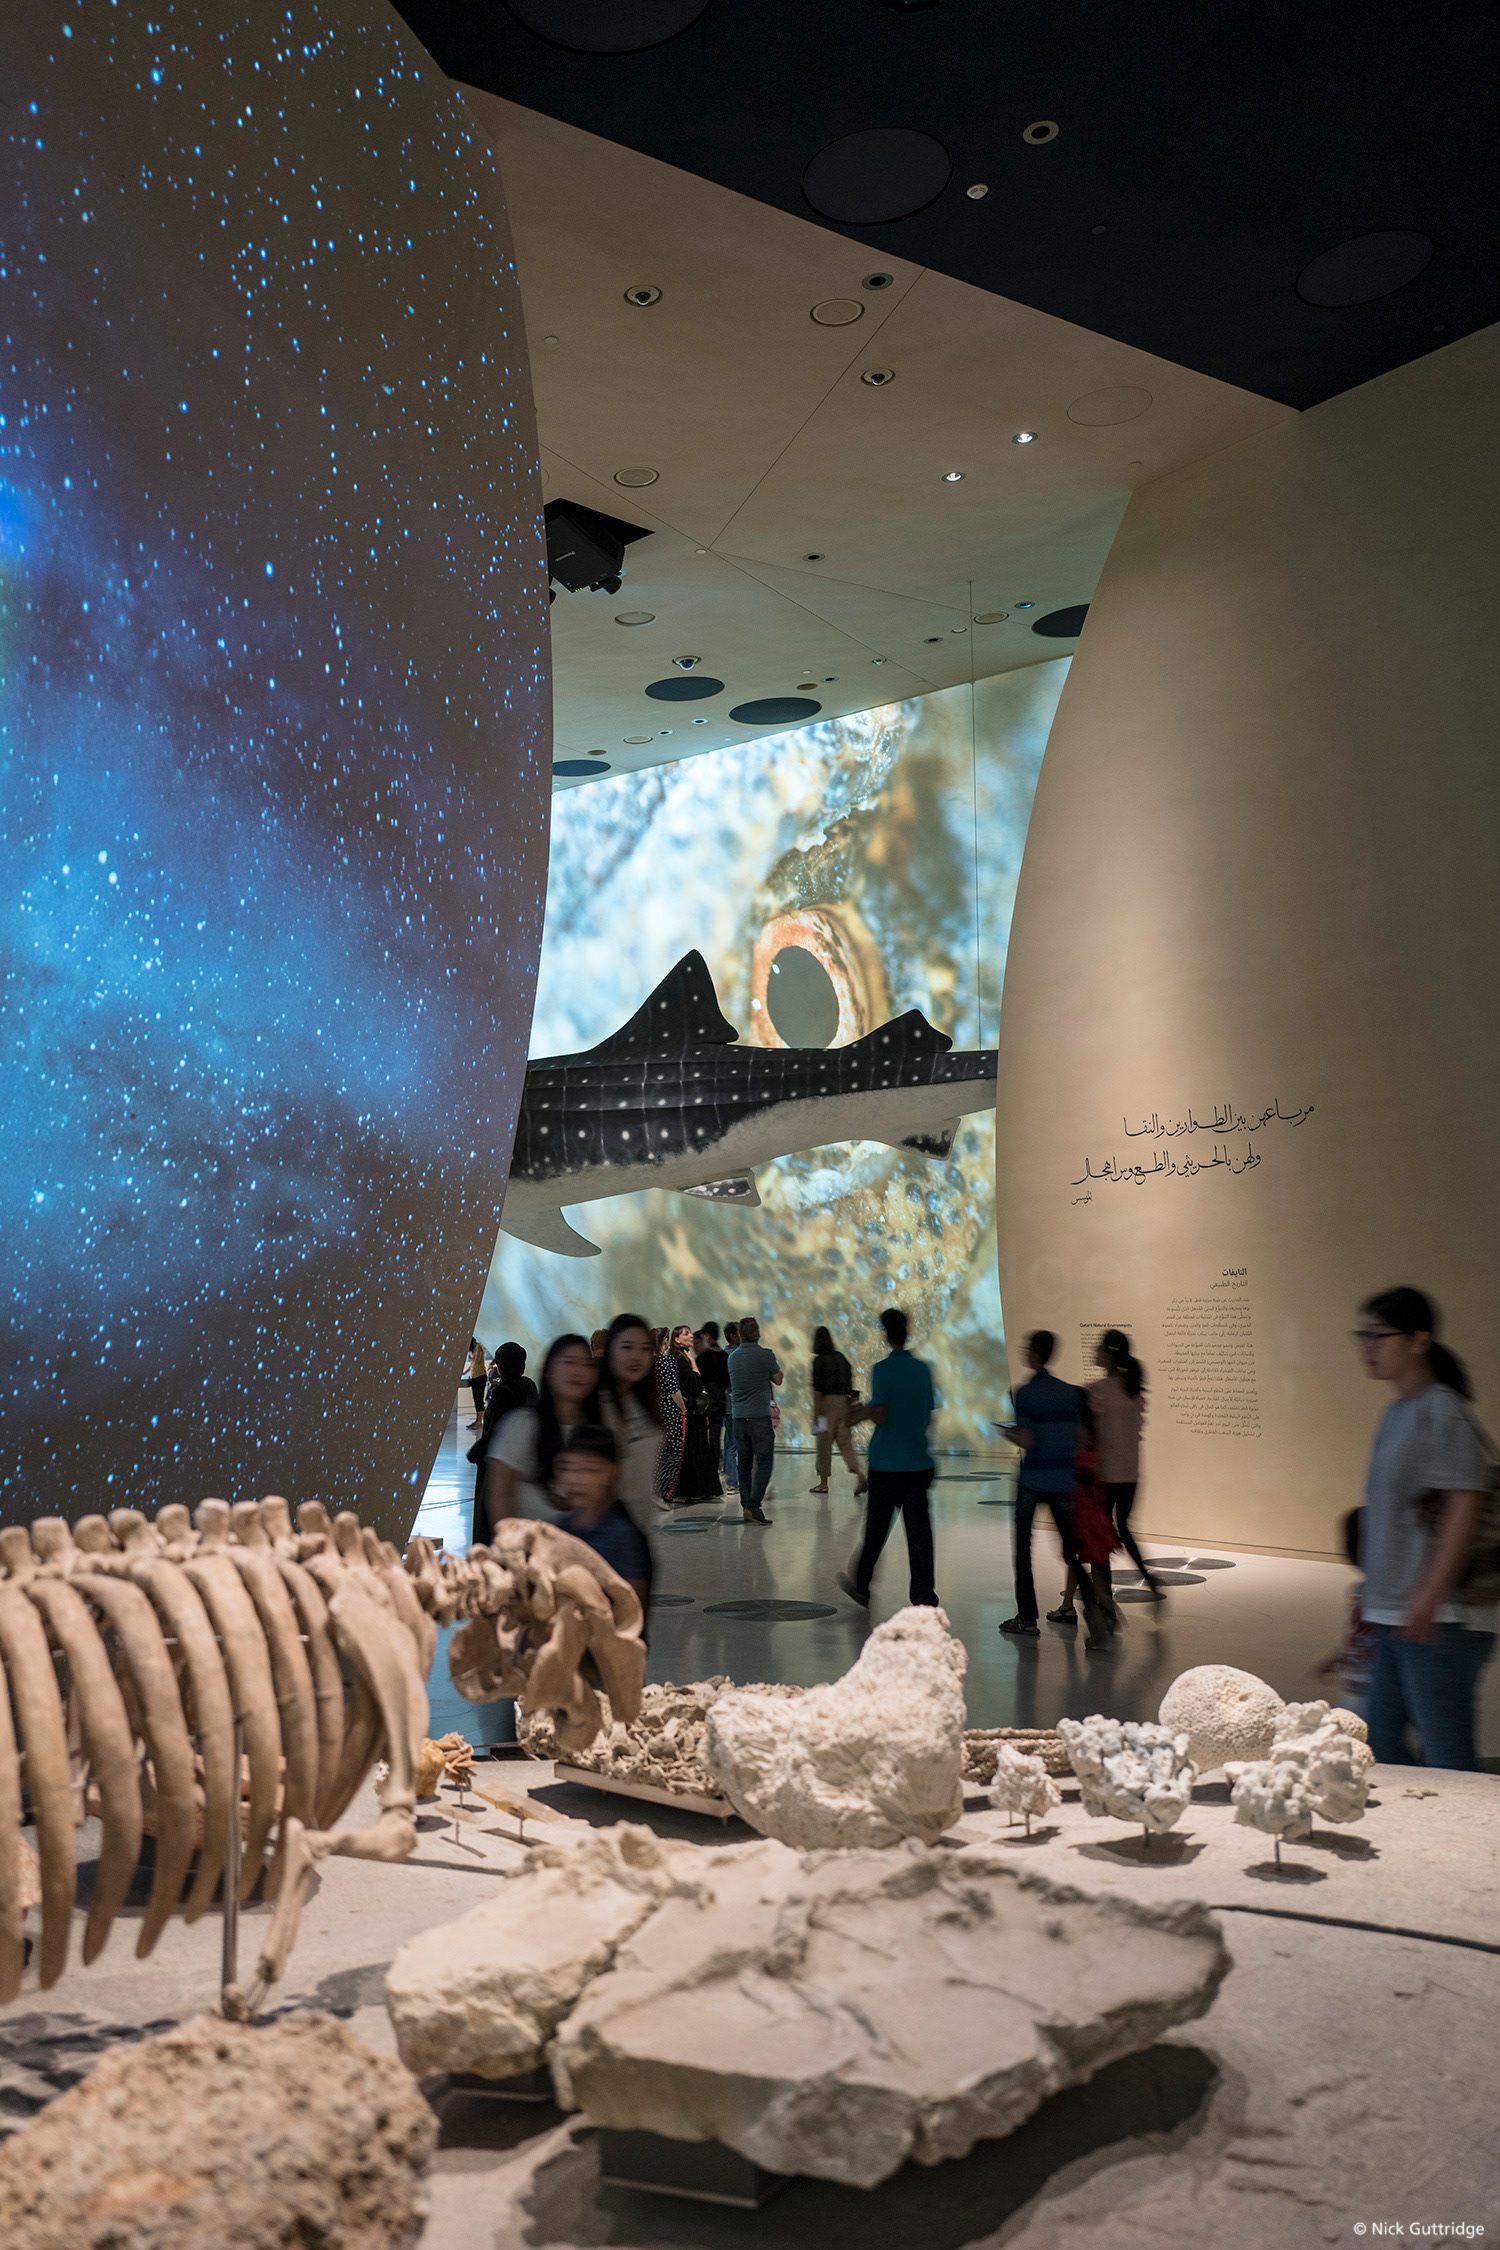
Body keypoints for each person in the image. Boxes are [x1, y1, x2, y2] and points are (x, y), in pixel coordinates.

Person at [1352, 1286, 1495, 1770]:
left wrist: (1429, 1595)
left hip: (1441, 1619)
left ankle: (1463, 1821)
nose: (1368, 1346)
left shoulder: (1442, 1410)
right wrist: (1372, 1595)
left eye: (1379, 1336)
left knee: (1448, 1756)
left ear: (1419, 1341)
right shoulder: (1396, 1412)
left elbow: (1464, 1504)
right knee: (1380, 1741)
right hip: (1398, 1613)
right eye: (1362, 1336)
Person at [998, 1330, 1101, 1640]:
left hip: (1032, 1479)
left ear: (1033, 1354)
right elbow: (1081, 1438)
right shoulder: (1069, 1393)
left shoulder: (1025, 1393)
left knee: (1023, 1551)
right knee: (1072, 1550)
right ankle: (1095, 1614)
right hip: (1062, 1480)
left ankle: (1027, 1619)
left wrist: (1008, 1434)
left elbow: (1027, 1439)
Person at [838, 1307, 937, 1607]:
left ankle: (862, 1585)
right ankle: (923, 1595)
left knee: (876, 1530)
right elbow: (928, 1414)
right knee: (919, 1535)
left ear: (885, 1334)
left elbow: (880, 1414)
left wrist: (862, 1412)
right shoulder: (923, 1369)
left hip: (887, 1464)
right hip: (917, 1461)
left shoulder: (882, 1369)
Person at [480, 1333, 599, 1533]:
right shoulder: (523, 1424)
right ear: (549, 1370)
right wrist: (512, 1543)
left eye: (587, 1364)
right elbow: (500, 1494)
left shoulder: (595, 1427)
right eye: (569, 1362)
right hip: (530, 1546)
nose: (578, 1371)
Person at [1081, 1329, 1159, 1599]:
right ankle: (1149, 1578)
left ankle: (1106, 1603)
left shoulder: (1096, 1390)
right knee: (1124, 1528)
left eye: (1099, 1348)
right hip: (1131, 1473)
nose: (1095, 1352)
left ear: (1108, 1355)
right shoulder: (1134, 1390)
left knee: (1099, 1537)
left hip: (1105, 1474)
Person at [552, 1424, 653, 1620]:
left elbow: (629, 1619)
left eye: (589, 1469)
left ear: (613, 1473)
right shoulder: (559, 1529)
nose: (575, 1479)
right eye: (567, 1468)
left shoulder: (625, 1539)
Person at [593, 1313, 668, 1534]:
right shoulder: (597, 1404)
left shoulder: (644, 1402)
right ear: (609, 1349)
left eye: (645, 1348)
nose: (636, 1356)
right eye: (626, 1347)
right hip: (606, 1531)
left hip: (639, 1529)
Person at [467, 1341, 530, 1542]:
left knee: (487, 1518)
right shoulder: (528, 1385)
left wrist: (475, 1452)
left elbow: (496, 1431)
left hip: (496, 1463)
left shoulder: (504, 1391)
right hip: (522, 1462)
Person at [727, 1315, 782, 1523]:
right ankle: (753, 1505)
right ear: (757, 1333)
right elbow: (778, 1379)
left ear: (740, 1334)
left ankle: (746, 1507)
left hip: (739, 1418)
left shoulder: (732, 1358)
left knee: (744, 1464)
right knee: (764, 1463)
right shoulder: (765, 1355)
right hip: (760, 1417)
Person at [809, 1325, 866, 1496]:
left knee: (823, 1444)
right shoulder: (841, 1357)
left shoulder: (818, 1360)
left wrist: (816, 1412)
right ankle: (860, 1474)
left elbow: (817, 1389)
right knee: (845, 1442)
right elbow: (849, 1380)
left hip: (826, 1404)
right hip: (844, 1403)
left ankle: (823, 1484)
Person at [671, 1323, 721, 1503]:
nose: (691, 1336)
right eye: (686, 1334)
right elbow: (695, 1383)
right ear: (677, 1339)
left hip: (692, 1411)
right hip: (688, 1411)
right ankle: (684, 1492)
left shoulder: (683, 1357)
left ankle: (701, 1489)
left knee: (699, 1448)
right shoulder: (679, 1359)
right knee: (693, 1449)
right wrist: (693, 1364)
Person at [651, 1326, 685, 1501]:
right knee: (673, 1452)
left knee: (657, 1452)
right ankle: (665, 1493)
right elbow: (674, 1391)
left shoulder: (647, 1362)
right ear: (665, 1341)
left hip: (653, 1409)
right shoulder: (668, 1361)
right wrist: (683, 1409)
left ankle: (654, 1491)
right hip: (670, 1410)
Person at [721, 1321, 741, 1486]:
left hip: (727, 1405)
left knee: (730, 1444)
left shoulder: (723, 1354)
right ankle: (733, 1481)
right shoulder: (737, 1355)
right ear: (733, 1336)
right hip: (737, 1406)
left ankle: (732, 1480)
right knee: (734, 1445)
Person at [464, 1337, 487, 1430]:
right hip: (475, 1377)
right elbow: (472, 1364)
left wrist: (470, 1358)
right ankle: (477, 1420)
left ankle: (479, 1421)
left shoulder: (478, 1347)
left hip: (480, 1376)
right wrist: (465, 1372)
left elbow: (476, 1361)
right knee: (476, 1399)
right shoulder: (473, 1349)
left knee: (479, 1399)